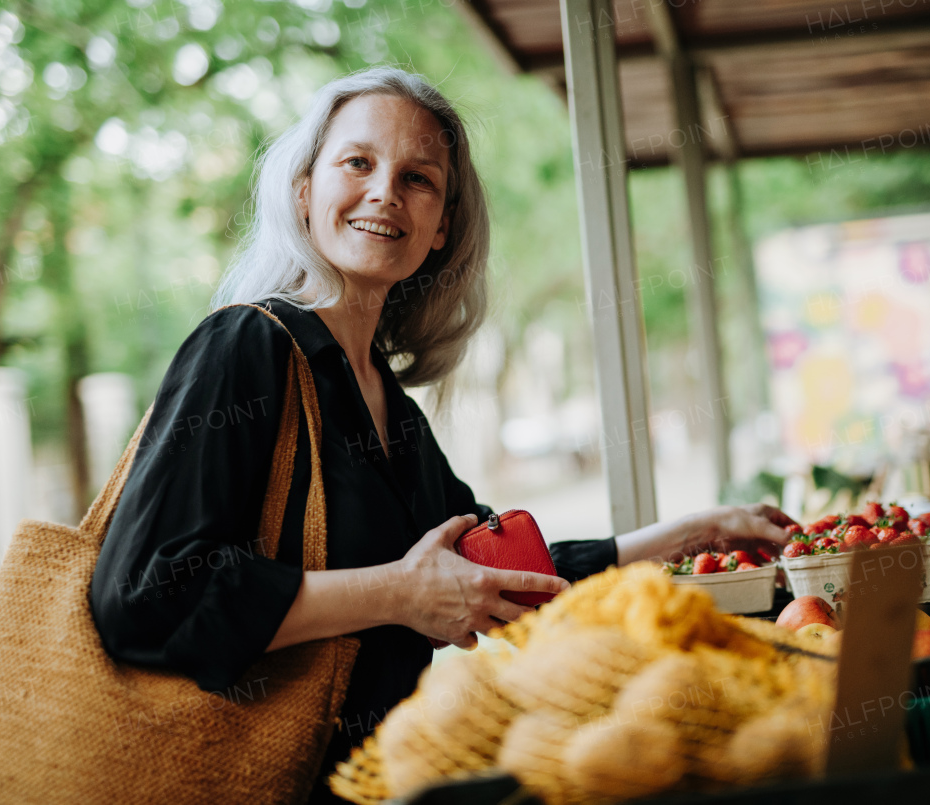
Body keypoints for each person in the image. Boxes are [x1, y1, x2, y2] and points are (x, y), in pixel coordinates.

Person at [89, 67, 795, 802]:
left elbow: (496, 569)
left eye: (417, 178)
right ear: (304, 192)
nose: (385, 191)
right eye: (357, 162)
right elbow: (144, 594)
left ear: (441, 228)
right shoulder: (245, 346)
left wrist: (685, 534)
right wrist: (397, 592)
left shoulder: (389, 406)